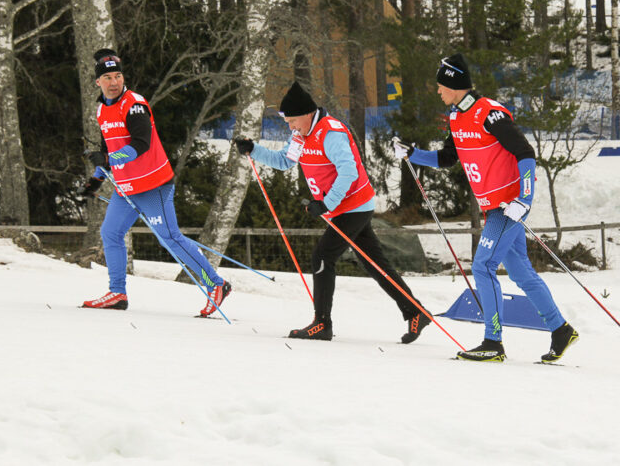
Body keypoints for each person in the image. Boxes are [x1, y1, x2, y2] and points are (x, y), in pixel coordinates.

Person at [392, 53, 579, 363]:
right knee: (521, 272)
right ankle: (560, 329)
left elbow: (526, 153)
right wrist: (412, 154)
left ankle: (493, 342)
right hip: (493, 206)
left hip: (508, 207)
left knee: (482, 266)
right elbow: (447, 158)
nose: (438, 91)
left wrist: (525, 200)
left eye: (441, 85)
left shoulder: (489, 113)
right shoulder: (456, 117)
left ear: (455, 85)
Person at [236, 82, 430, 343]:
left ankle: (322, 324)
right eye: (288, 122)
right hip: (343, 208)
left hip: (352, 206)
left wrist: (327, 203)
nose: (291, 127)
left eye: (293, 120)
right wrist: (253, 150)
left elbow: (348, 171)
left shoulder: (331, 133)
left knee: (322, 256)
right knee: (374, 264)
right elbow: (284, 161)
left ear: (307, 114)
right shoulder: (300, 136)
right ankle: (415, 311)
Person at [77, 48, 230, 316]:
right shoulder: (102, 109)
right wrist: (96, 181)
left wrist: (109, 160)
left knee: (170, 238)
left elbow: (141, 144)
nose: (114, 82)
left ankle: (216, 284)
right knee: (110, 233)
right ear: (97, 82)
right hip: (126, 187)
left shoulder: (134, 104)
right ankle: (117, 293)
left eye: (118, 76)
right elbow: (108, 147)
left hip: (153, 185)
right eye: (108, 78)